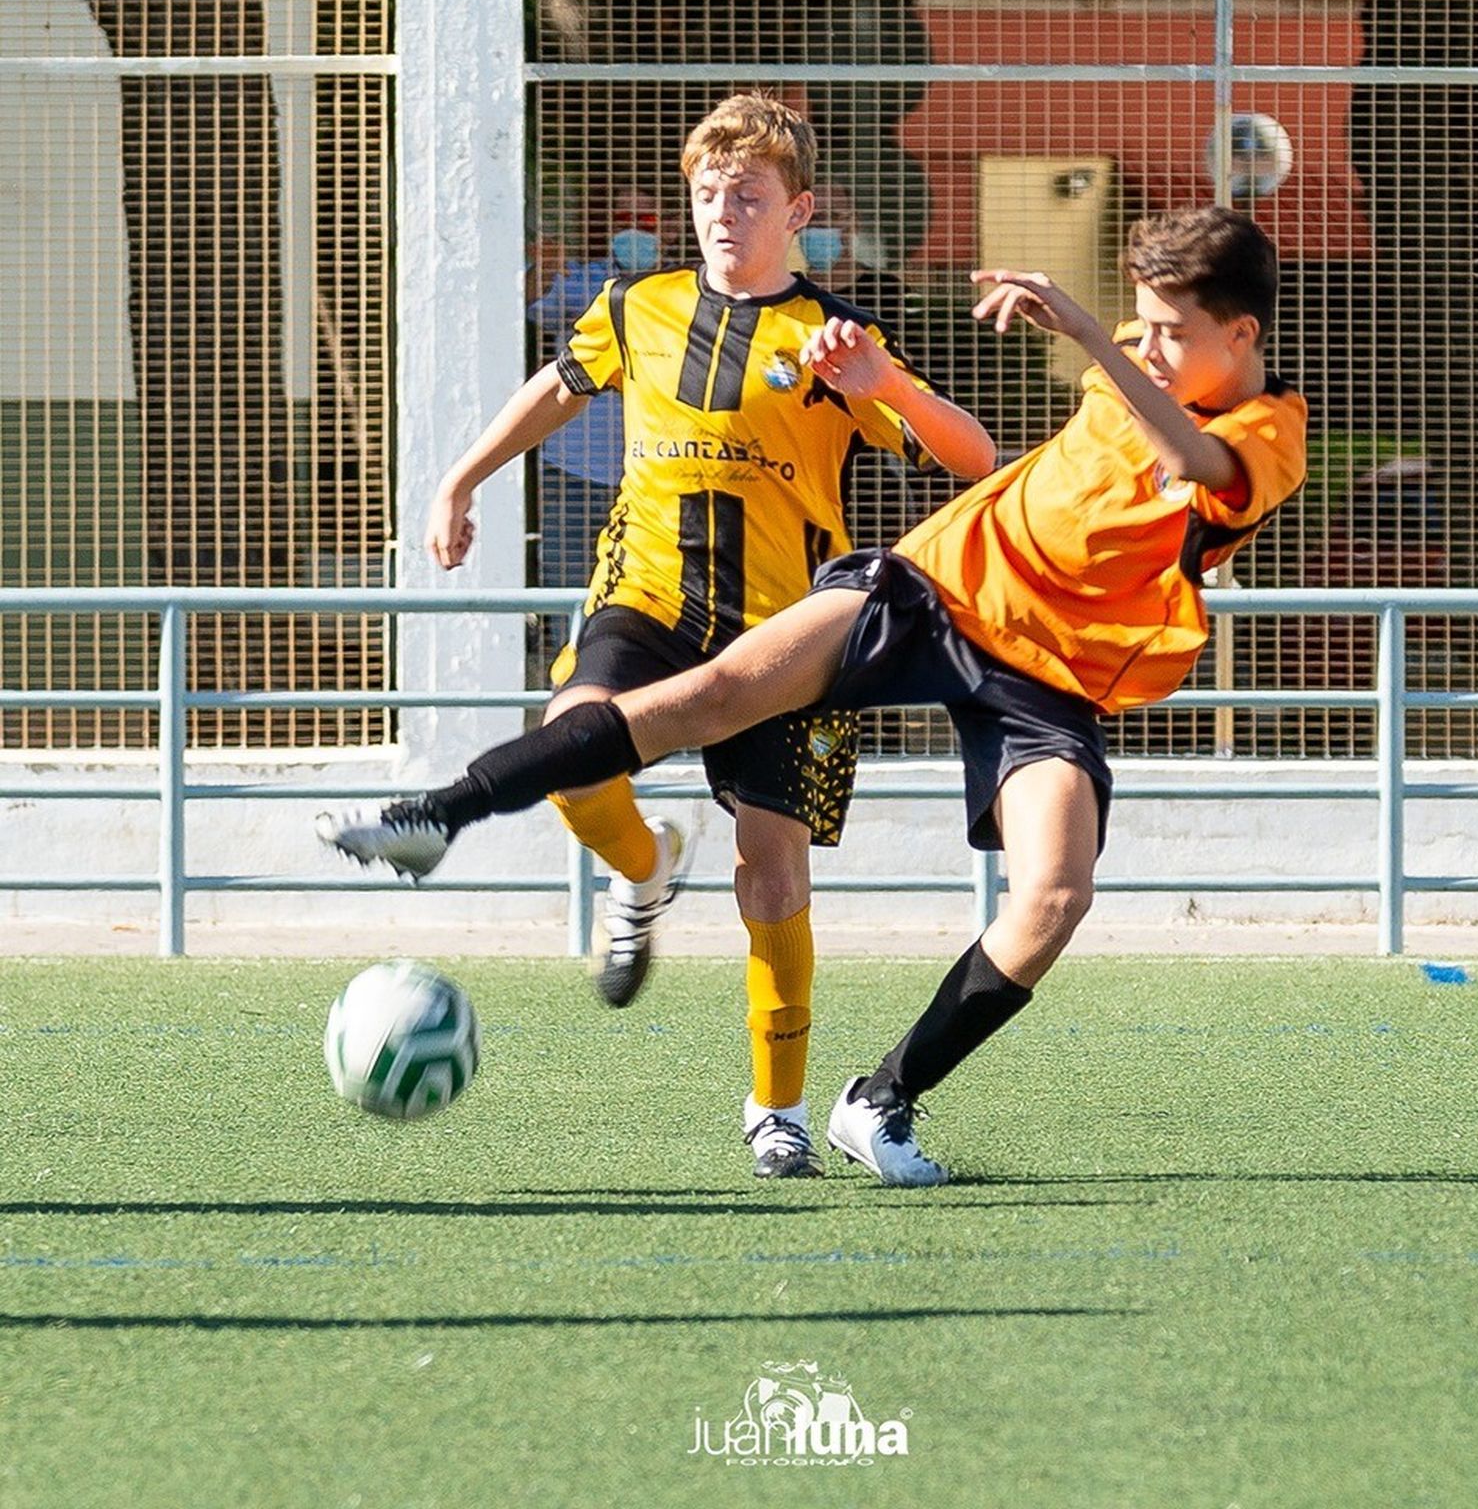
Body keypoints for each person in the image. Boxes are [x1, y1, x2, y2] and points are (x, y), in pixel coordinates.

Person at [321, 205, 1305, 1186]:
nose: (1152, 343)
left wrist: (1092, 332)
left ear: (1242, 335)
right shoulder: (1150, 348)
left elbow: (1190, 460)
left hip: (1051, 676)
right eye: (1142, 323)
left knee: (1053, 895)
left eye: (1173, 331)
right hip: (935, 588)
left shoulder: (1270, 433)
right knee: (711, 695)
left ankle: (879, 1099)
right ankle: (438, 814)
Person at [321, 93, 996, 1181]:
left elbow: (975, 460)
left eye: (748, 195)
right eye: (707, 194)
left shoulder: (832, 337)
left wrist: (881, 383)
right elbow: (558, 387)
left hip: (786, 634)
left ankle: (775, 1109)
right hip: (646, 596)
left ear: (798, 211)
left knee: (768, 874)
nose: (722, 212)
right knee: (572, 737)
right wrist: (459, 477)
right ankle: (640, 874)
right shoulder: (638, 305)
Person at [526, 189, 669, 588]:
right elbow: (530, 304)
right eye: (624, 221)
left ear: (671, 229)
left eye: (647, 223)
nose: (634, 231)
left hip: (653, 467)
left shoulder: (685, 287)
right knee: (568, 579)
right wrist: (543, 269)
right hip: (574, 466)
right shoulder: (585, 279)